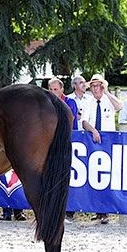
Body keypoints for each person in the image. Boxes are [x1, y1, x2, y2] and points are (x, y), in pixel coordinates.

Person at [81, 74, 122, 224]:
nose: (95, 89)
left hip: (107, 142)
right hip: (93, 141)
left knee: (106, 176)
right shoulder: (88, 103)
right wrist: (93, 130)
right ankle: (98, 211)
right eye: (93, 86)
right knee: (94, 175)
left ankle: (105, 211)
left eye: (98, 85)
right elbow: (84, 121)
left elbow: (119, 106)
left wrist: (108, 93)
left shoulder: (108, 100)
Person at [49, 77, 78, 223]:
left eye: (56, 89)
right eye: (51, 89)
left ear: (62, 90)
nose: (53, 92)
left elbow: (72, 124)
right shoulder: (46, 104)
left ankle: (69, 212)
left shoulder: (70, 103)